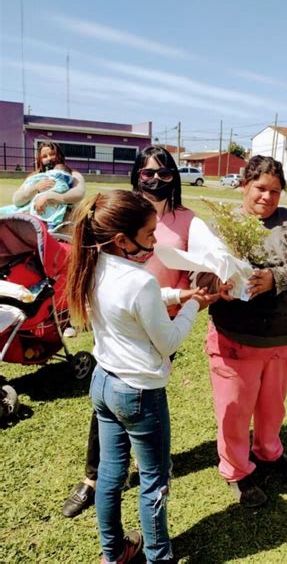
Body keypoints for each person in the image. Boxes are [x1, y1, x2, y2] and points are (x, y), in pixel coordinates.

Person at [66, 189, 216, 564]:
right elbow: (168, 341)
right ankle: (159, 557)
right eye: (149, 234)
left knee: (110, 477)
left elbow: (138, 303)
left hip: (103, 383)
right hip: (139, 393)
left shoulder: (94, 263)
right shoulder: (139, 280)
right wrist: (194, 304)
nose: (155, 240)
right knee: (154, 480)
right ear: (122, 239)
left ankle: (113, 553)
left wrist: (179, 296)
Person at [63, 145, 201, 518]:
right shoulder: (120, 216)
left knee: (126, 438)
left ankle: (130, 486)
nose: (156, 180)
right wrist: (194, 305)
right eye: (148, 173)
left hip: (144, 332)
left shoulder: (185, 221)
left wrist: (184, 292)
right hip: (127, 338)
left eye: (165, 174)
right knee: (145, 462)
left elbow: (185, 273)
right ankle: (101, 483)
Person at [196, 155, 287, 507]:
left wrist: (276, 278)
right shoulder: (222, 226)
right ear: (244, 186)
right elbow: (201, 274)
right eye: (260, 188)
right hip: (236, 340)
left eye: (275, 191)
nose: (267, 197)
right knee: (234, 409)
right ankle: (237, 470)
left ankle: (269, 453)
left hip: (282, 341)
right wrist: (217, 282)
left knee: (272, 407)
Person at [6, 141, 85, 227]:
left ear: (59, 155)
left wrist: (49, 197)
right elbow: (17, 200)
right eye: (44, 156)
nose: (49, 158)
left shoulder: (72, 175)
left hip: (62, 224)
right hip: (33, 224)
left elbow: (79, 193)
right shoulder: (34, 177)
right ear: (40, 159)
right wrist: (35, 188)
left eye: (52, 154)